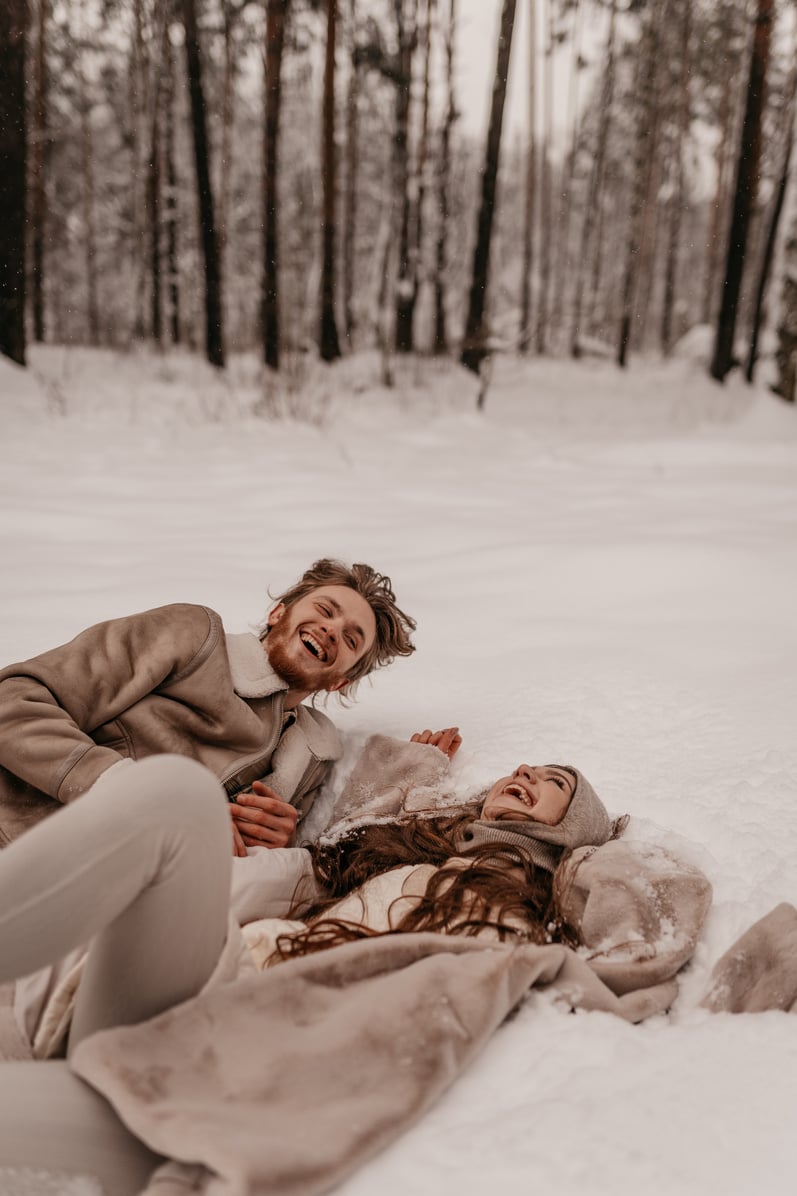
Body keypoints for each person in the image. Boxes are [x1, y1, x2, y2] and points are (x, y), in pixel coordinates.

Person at [0, 736, 792, 1196]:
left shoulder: (530, 914)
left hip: (226, 1070)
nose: (524, 777)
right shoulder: (381, 860)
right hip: (195, 987)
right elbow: (327, 832)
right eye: (522, 768)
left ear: (572, 831)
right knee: (174, 792)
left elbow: (646, 929)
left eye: (553, 786)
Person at [0, 558, 416, 855]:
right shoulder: (193, 636)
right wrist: (135, 792)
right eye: (326, 611)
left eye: (350, 639)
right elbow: (14, 699)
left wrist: (275, 842)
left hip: (107, 912)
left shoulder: (309, 755)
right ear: (277, 613)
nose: (331, 629)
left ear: (340, 679)